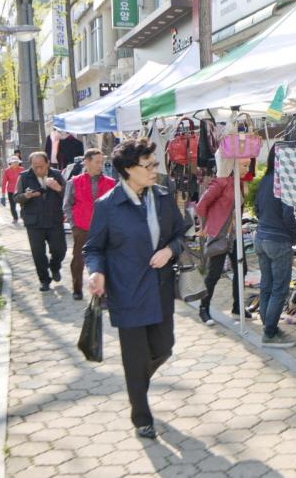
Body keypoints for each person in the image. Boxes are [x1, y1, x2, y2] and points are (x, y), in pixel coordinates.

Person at [84, 138, 186, 440]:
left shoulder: (164, 197)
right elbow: (93, 248)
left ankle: (136, 384)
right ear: (128, 170)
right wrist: (96, 272)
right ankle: (140, 413)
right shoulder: (108, 206)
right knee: (134, 357)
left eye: (154, 164)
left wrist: (170, 250)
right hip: (126, 292)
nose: (155, 170)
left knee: (164, 348)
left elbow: (181, 234)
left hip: (160, 289)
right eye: (148, 165)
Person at [196, 155, 251, 326]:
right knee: (214, 273)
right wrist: (207, 225)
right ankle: (203, 309)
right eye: (244, 165)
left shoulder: (240, 183)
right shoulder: (221, 182)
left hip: (234, 235)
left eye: (248, 165)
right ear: (233, 165)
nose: (247, 169)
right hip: (219, 234)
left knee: (242, 269)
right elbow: (201, 206)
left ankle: (237, 307)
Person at [255, 146, 296, 347]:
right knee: (279, 289)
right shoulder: (284, 181)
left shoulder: (265, 180)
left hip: (261, 237)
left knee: (266, 286)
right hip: (278, 240)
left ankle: (269, 327)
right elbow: (288, 214)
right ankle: (270, 333)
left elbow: (257, 208)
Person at [63, 148, 115, 300]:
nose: (100, 165)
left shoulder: (111, 183)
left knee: (105, 259)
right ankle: (77, 289)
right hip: (81, 227)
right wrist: (74, 225)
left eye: (102, 162)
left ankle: (103, 293)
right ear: (86, 161)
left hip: (104, 229)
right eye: (97, 162)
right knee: (78, 259)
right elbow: (67, 205)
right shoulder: (74, 182)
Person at [14, 152, 67, 291]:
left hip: (54, 220)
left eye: (41, 166)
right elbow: (16, 197)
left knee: (60, 250)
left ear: (48, 163)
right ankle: (44, 280)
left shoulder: (57, 175)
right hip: (34, 222)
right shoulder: (24, 177)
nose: (38, 170)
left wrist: (59, 188)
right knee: (38, 253)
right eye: (35, 166)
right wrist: (26, 196)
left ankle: (55, 266)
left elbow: (69, 195)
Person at [1, 156, 25, 223]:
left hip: (20, 190)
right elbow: (4, 183)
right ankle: (15, 218)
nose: (16, 164)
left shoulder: (22, 169)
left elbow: (25, 180)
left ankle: (22, 216)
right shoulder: (7, 171)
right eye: (14, 162)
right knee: (12, 205)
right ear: (10, 163)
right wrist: (3, 194)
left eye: (17, 162)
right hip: (11, 191)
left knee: (23, 204)